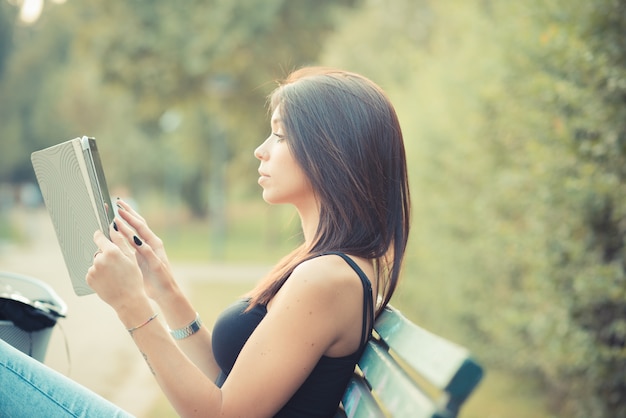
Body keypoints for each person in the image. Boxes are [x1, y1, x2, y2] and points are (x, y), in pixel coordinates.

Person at [0, 66, 410, 417]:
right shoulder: (327, 265)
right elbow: (229, 380)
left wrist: (130, 305)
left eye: (280, 136)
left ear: (331, 152)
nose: (260, 150)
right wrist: (162, 286)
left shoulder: (327, 277)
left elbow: (222, 413)